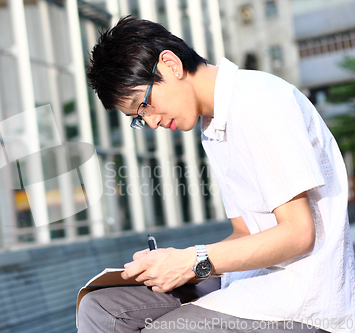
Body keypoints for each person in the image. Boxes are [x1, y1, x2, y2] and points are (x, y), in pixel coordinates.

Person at [78, 16, 355, 333]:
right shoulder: (212, 128)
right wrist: (172, 264)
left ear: (170, 64)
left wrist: (191, 261)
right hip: (256, 283)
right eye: (138, 118)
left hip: (302, 299)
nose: (151, 122)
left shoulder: (258, 101)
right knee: (101, 307)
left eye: (144, 105)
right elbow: (245, 232)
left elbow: (299, 234)